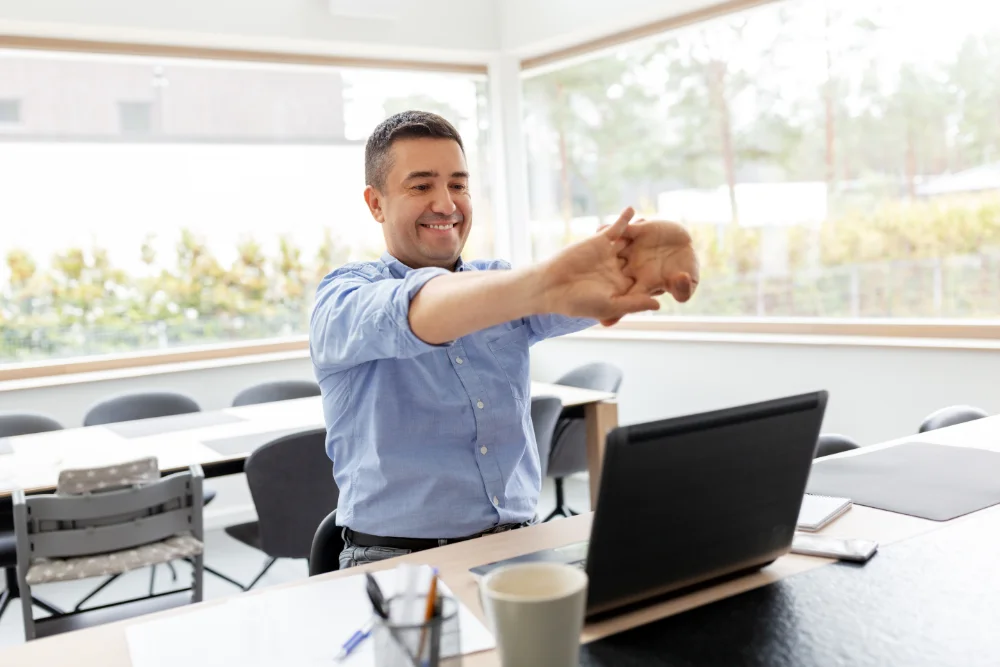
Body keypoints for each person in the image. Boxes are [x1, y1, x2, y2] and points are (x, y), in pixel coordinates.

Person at [309, 111, 698, 568]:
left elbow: (568, 293)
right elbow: (417, 311)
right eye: (421, 186)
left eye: (458, 184)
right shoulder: (343, 298)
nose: (446, 203)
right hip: (398, 562)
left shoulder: (499, 283)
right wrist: (540, 284)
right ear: (376, 204)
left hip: (520, 546)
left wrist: (633, 271)